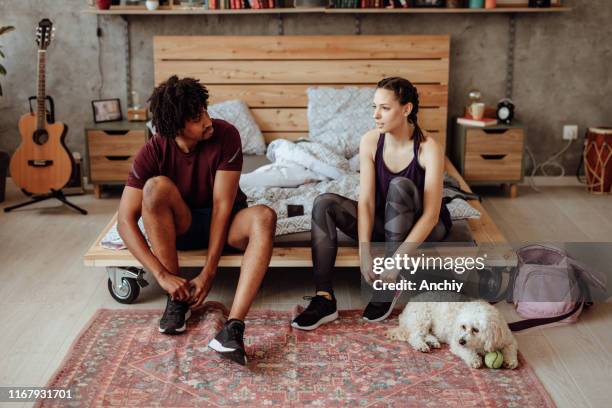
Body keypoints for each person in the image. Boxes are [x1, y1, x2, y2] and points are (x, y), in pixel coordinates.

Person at [117, 76, 276, 365]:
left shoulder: (226, 134)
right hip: (182, 225)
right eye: (195, 118)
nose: (206, 120)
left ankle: (233, 328)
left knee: (264, 216)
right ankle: (176, 301)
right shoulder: (153, 150)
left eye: (204, 110)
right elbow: (125, 221)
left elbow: (221, 205)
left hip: (227, 225)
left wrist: (209, 272)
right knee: (154, 188)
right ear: (176, 127)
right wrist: (162, 277)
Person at [292, 77, 453, 330]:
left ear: (407, 109)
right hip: (386, 221)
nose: (376, 115)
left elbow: (431, 215)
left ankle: (388, 285)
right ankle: (324, 298)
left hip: (426, 227)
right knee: (324, 203)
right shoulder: (370, 140)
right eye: (374, 107)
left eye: (385, 108)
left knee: (399, 185)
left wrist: (395, 261)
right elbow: (366, 202)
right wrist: (364, 252)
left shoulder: (428, 148)